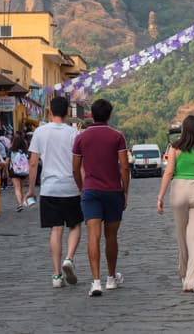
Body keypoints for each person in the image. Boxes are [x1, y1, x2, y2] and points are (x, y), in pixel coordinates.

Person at [72, 98, 129, 297]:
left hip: (91, 191)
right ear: (109, 115)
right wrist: (125, 191)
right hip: (113, 191)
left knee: (93, 236)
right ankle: (111, 278)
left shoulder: (81, 137)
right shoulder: (117, 137)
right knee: (111, 236)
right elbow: (124, 166)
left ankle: (96, 282)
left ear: (92, 115)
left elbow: (75, 167)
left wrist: (82, 187)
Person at [156, 115, 194, 293]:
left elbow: (168, 173)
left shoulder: (175, 148)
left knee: (182, 236)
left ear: (184, 130)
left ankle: (184, 274)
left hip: (178, 190)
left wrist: (160, 197)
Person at [26, 95, 83, 289]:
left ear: (50, 111)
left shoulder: (40, 132)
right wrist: (82, 186)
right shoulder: (74, 133)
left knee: (55, 229)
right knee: (75, 225)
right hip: (71, 187)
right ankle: (69, 258)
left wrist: (31, 189)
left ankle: (57, 275)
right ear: (68, 112)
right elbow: (79, 162)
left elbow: (33, 162)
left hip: (49, 188)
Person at [9, 131, 31, 212]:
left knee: (17, 188)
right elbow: (29, 162)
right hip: (24, 171)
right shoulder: (25, 152)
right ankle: (21, 202)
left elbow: (7, 162)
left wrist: (6, 172)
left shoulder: (11, 151)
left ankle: (19, 204)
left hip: (14, 171)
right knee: (21, 188)